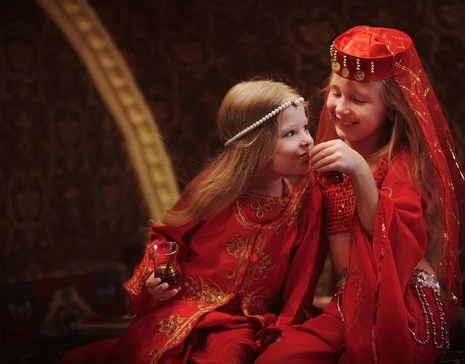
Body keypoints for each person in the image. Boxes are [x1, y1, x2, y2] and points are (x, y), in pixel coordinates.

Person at [59, 79, 326, 363]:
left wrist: (284, 327)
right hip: (185, 312)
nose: (307, 140)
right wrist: (155, 276)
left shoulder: (304, 200)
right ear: (255, 145)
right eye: (290, 133)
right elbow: (167, 237)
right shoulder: (215, 189)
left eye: (306, 128)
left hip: (243, 326)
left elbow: (303, 276)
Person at [256, 26, 465, 364]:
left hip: (402, 303)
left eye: (357, 99)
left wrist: (360, 172)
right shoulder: (327, 156)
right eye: (335, 93)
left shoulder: (403, 163)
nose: (340, 108)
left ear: (391, 108)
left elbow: (400, 244)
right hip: (349, 302)